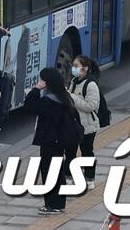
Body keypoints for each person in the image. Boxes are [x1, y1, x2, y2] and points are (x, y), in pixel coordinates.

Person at [22, 67, 77, 215]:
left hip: (50, 141)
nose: (40, 82)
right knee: (57, 171)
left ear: (47, 82)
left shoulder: (49, 101)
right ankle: (57, 204)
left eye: (42, 80)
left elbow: (29, 107)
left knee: (49, 172)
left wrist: (35, 89)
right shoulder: (64, 96)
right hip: (60, 141)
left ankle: (53, 204)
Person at [67, 55, 102, 189]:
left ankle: (89, 178)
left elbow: (90, 106)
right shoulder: (74, 81)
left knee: (87, 151)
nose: (73, 69)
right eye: (73, 66)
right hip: (73, 124)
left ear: (85, 68)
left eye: (76, 66)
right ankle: (68, 176)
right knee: (70, 151)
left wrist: (72, 97)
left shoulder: (91, 84)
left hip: (88, 125)